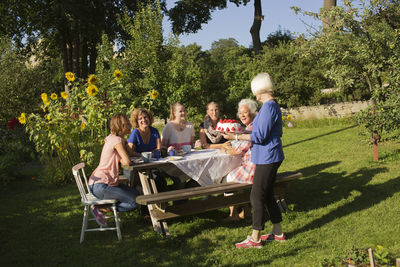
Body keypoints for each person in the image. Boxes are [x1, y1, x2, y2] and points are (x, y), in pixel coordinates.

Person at [233, 73, 285, 249]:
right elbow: (260, 132)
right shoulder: (267, 106)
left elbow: (260, 136)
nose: (254, 94)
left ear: (260, 89)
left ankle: (255, 238)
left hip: (267, 157)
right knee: (267, 194)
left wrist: (238, 135)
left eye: (255, 90)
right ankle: (278, 232)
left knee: (256, 195)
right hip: (267, 156)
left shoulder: (269, 107)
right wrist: (236, 135)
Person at [88, 114, 139, 227]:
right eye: (127, 123)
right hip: (101, 185)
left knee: (136, 194)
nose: (130, 125)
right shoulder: (116, 141)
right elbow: (126, 161)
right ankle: (101, 208)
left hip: (99, 183)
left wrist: (141, 155)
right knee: (135, 201)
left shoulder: (113, 138)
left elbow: (129, 154)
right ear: (121, 126)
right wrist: (126, 156)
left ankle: (106, 207)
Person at [220, 99, 258, 221]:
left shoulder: (251, 129)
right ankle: (246, 211)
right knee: (237, 181)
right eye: (240, 113)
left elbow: (237, 151)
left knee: (225, 179)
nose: (241, 115)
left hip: (252, 170)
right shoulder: (251, 127)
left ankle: (233, 214)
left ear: (251, 113)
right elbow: (240, 145)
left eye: (245, 112)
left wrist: (224, 150)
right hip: (256, 168)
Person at [161, 102, 197, 190]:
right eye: (180, 111)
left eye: (184, 111)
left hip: (187, 161)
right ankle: (179, 199)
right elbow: (162, 147)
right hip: (172, 163)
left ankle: (182, 197)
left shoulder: (190, 126)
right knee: (180, 181)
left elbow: (191, 146)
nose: (183, 113)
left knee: (201, 176)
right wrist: (168, 149)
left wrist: (196, 145)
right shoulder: (168, 127)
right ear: (174, 113)